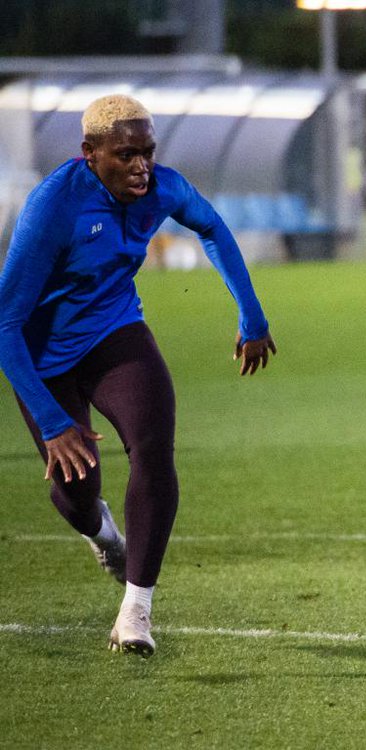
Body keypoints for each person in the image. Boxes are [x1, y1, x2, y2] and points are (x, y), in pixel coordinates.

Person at [0, 94, 276, 656]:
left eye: (148, 152)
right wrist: (53, 421)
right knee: (78, 494)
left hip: (114, 334)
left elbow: (214, 228)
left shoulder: (163, 187)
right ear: (90, 154)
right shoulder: (53, 208)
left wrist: (251, 315)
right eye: (126, 154)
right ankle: (102, 533)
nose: (141, 166)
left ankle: (136, 611)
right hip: (44, 359)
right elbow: (5, 323)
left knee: (154, 449)